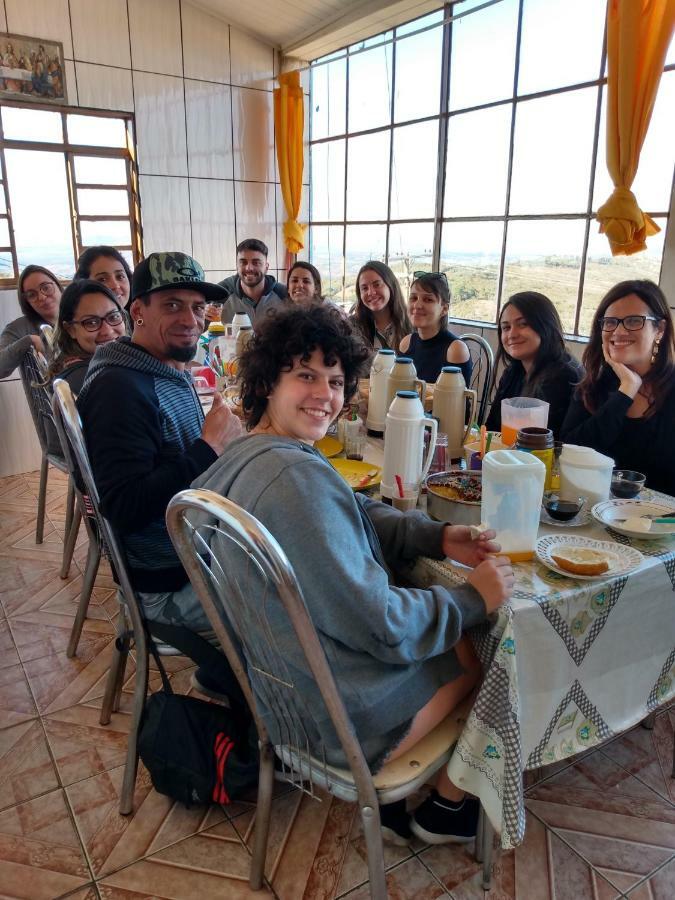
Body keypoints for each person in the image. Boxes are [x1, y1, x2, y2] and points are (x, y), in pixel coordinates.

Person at [194, 305, 515, 844]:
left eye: (336, 380)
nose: (325, 393)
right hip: (335, 719)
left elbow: (346, 510)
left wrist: (434, 535)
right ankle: (447, 808)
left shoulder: (250, 454)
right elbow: (380, 623)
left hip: (279, 691)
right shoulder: (295, 477)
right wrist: (470, 599)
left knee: (434, 614)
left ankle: (427, 800)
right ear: (268, 381)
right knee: (483, 653)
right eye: (305, 375)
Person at [77, 251, 244, 697]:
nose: (190, 318)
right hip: (170, 588)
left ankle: (228, 676)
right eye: (171, 304)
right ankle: (274, 717)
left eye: (196, 306)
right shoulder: (120, 390)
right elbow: (125, 506)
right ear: (137, 312)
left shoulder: (157, 368)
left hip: (192, 557)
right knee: (298, 593)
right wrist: (209, 447)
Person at [562, 280, 675, 495]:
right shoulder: (591, 388)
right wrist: (626, 390)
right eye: (610, 322)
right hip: (595, 515)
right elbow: (571, 454)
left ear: (659, 329)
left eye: (633, 321)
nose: (619, 331)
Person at [486, 291, 584, 437]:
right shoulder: (514, 371)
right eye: (506, 327)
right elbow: (491, 430)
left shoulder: (563, 375)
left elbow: (545, 445)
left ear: (546, 326)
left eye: (523, 324)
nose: (512, 334)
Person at [46, 279, 127, 395]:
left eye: (113, 317)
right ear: (70, 329)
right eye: (91, 322)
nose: (107, 331)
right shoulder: (98, 380)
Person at [399, 271, 472, 385]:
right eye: (413, 298)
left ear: (444, 309)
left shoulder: (455, 350)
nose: (417, 305)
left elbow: (459, 401)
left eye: (428, 300)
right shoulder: (406, 343)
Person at [0, 265, 62, 380]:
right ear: (26, 301)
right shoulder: (18, 328)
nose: (42, 297)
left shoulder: (82, 318)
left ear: (57, 285)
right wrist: (28, 341)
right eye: (32, 295)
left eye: (46, 287)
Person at [219, 238, 288, 327]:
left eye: (256, 263)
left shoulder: (283, 294)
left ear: (266, 267)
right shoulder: (221, 292)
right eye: (243, 262)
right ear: (237, 266)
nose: (249, 268)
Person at [350, 260, 412, 352]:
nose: (371, 292)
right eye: (364, 288)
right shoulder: (352, 327)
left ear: (390, 285)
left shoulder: (411, 322)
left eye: (377, 285)